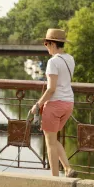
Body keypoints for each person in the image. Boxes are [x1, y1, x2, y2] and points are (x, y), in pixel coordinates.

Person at [30, 28, 77, 177]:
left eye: (46, 44)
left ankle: (54, 179)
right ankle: (68, 169)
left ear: (51, 43)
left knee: (50, 143)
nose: (45, 47)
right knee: (53, 138)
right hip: (68, 104)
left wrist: (38, 104)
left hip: (55, 105)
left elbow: (51, 89)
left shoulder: (53, 62)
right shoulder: (70, 59)